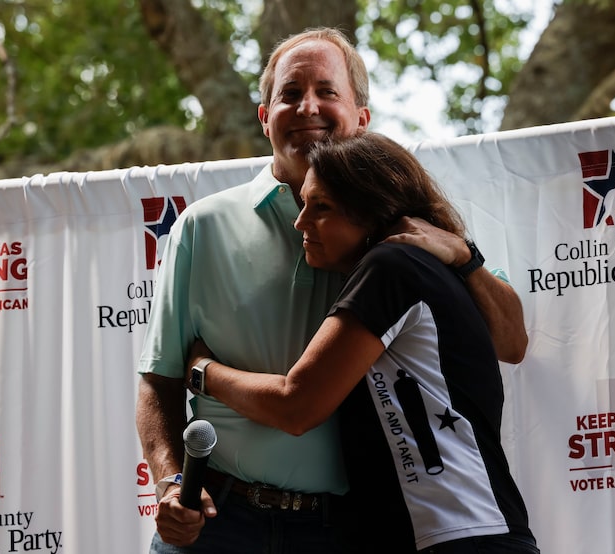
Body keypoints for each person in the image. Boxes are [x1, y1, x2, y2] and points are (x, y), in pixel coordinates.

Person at [136, 27, 528, 553]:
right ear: (263, 117)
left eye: (328, 91)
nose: (308, 108)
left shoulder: (406, 238)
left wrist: (464, 256)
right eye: (290, 95)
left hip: (350, 529)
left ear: (362, 118)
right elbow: (158, 380)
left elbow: (511, 343)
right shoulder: (200, 227)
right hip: (217, 519)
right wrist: (168, 482)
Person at [190, 131, 539, 553]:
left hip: (457, 536)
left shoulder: (391, 266)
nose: (300, 221)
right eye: (304, 204)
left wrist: (203, 372)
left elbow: (296, 405)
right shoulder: (424, 266)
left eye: (321, 208)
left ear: (372, 211)